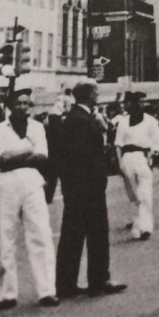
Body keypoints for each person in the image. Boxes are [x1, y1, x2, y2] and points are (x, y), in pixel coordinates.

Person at [54, 79, 127, 299]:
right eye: (96, 92)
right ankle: (99, 278)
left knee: (73, 234)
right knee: (96, 233)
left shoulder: (76, 118)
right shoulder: (82, 121)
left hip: (77, 187)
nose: (98, 96)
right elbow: (82, 155)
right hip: (87, 187)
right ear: (90, 95)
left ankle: (67, 283)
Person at [0, 88, 58, 309]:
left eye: (26, 103)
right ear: (10, 106)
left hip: (32, 181)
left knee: (41, 234)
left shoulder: (37, 127)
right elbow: (3, 159)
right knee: (5, 237)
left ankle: (46, 290)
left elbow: (42, 157)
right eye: (18, 103)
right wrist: (29, 151)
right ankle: (6, 294)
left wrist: (19, 156)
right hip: (5, 184)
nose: (23, 107)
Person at [114, 91, 159, 240]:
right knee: (133, 196)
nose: (139, 105)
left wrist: (151, 154)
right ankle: (137, 225)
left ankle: (146, 227)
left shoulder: (150, 121)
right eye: (136, 102)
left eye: (141, 102)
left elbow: (158, 141)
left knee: (145, 194)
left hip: (142, 157)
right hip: (127, 158)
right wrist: (119, 163)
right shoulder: (123, 122)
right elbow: (118, 144)